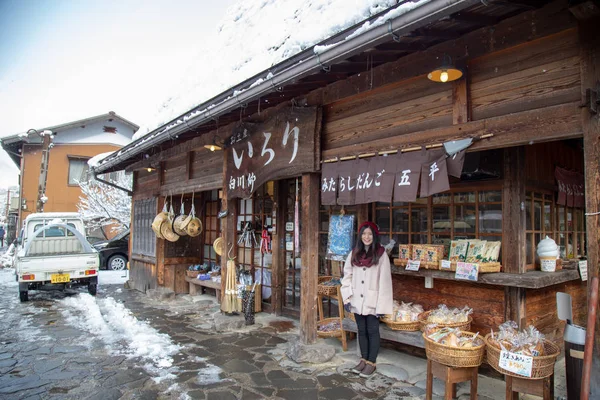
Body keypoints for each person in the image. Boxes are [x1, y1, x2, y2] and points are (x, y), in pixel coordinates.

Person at [340, 221, 393, 377]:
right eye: (364, 234)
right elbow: (347, 275)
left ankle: (371, 362)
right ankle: (363, 360)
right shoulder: (354, 253)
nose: (366, 237)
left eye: (370, 234)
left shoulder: (381, 254)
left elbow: (385, 281)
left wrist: (381, 306)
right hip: (357, 299)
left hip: (373, 300)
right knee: (361, 331)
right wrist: (347, 296)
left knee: (372, 331)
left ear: (374, 236)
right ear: (360, 235)